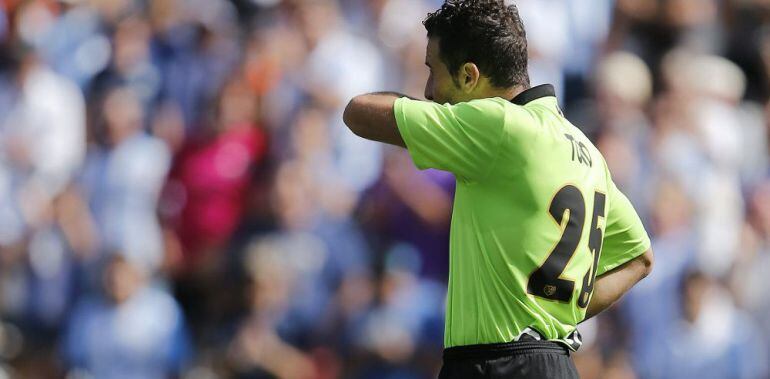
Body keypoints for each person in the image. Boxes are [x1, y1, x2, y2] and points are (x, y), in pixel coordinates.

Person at [342, 1, 654, 378]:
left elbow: (358, 112)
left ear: (470, 77)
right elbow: (638, 258)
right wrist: (554, 315)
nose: (428, 90)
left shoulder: (498, 125)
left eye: (432, 71)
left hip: (496, 364)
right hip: (554, 364)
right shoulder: (585, 149)